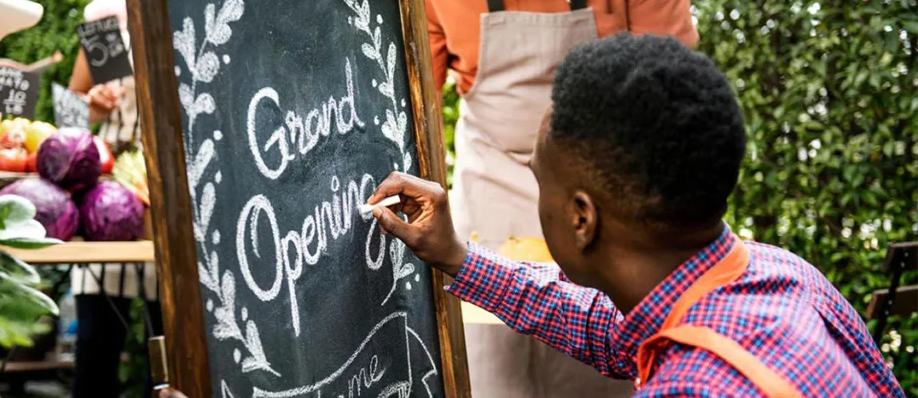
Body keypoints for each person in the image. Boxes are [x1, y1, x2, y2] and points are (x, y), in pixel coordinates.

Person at [360, 34, 905, 397]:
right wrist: (454, 254)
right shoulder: (780, 276)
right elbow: (603, 325)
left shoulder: (693, 386)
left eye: (538, 179)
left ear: (581, 218)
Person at [395, 0, 696, 395]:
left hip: (609, 186)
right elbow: (408, 103)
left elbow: (670, 89)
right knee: (496, 370)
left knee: (617, 356)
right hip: (492, 183)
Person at [66, 0, 161, 398]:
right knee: (96, 342)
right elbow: (69, 114)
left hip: (170, 205)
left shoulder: (196, 3)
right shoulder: (108, 19)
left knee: (169, 350)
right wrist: (94, 107)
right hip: (110, 199)